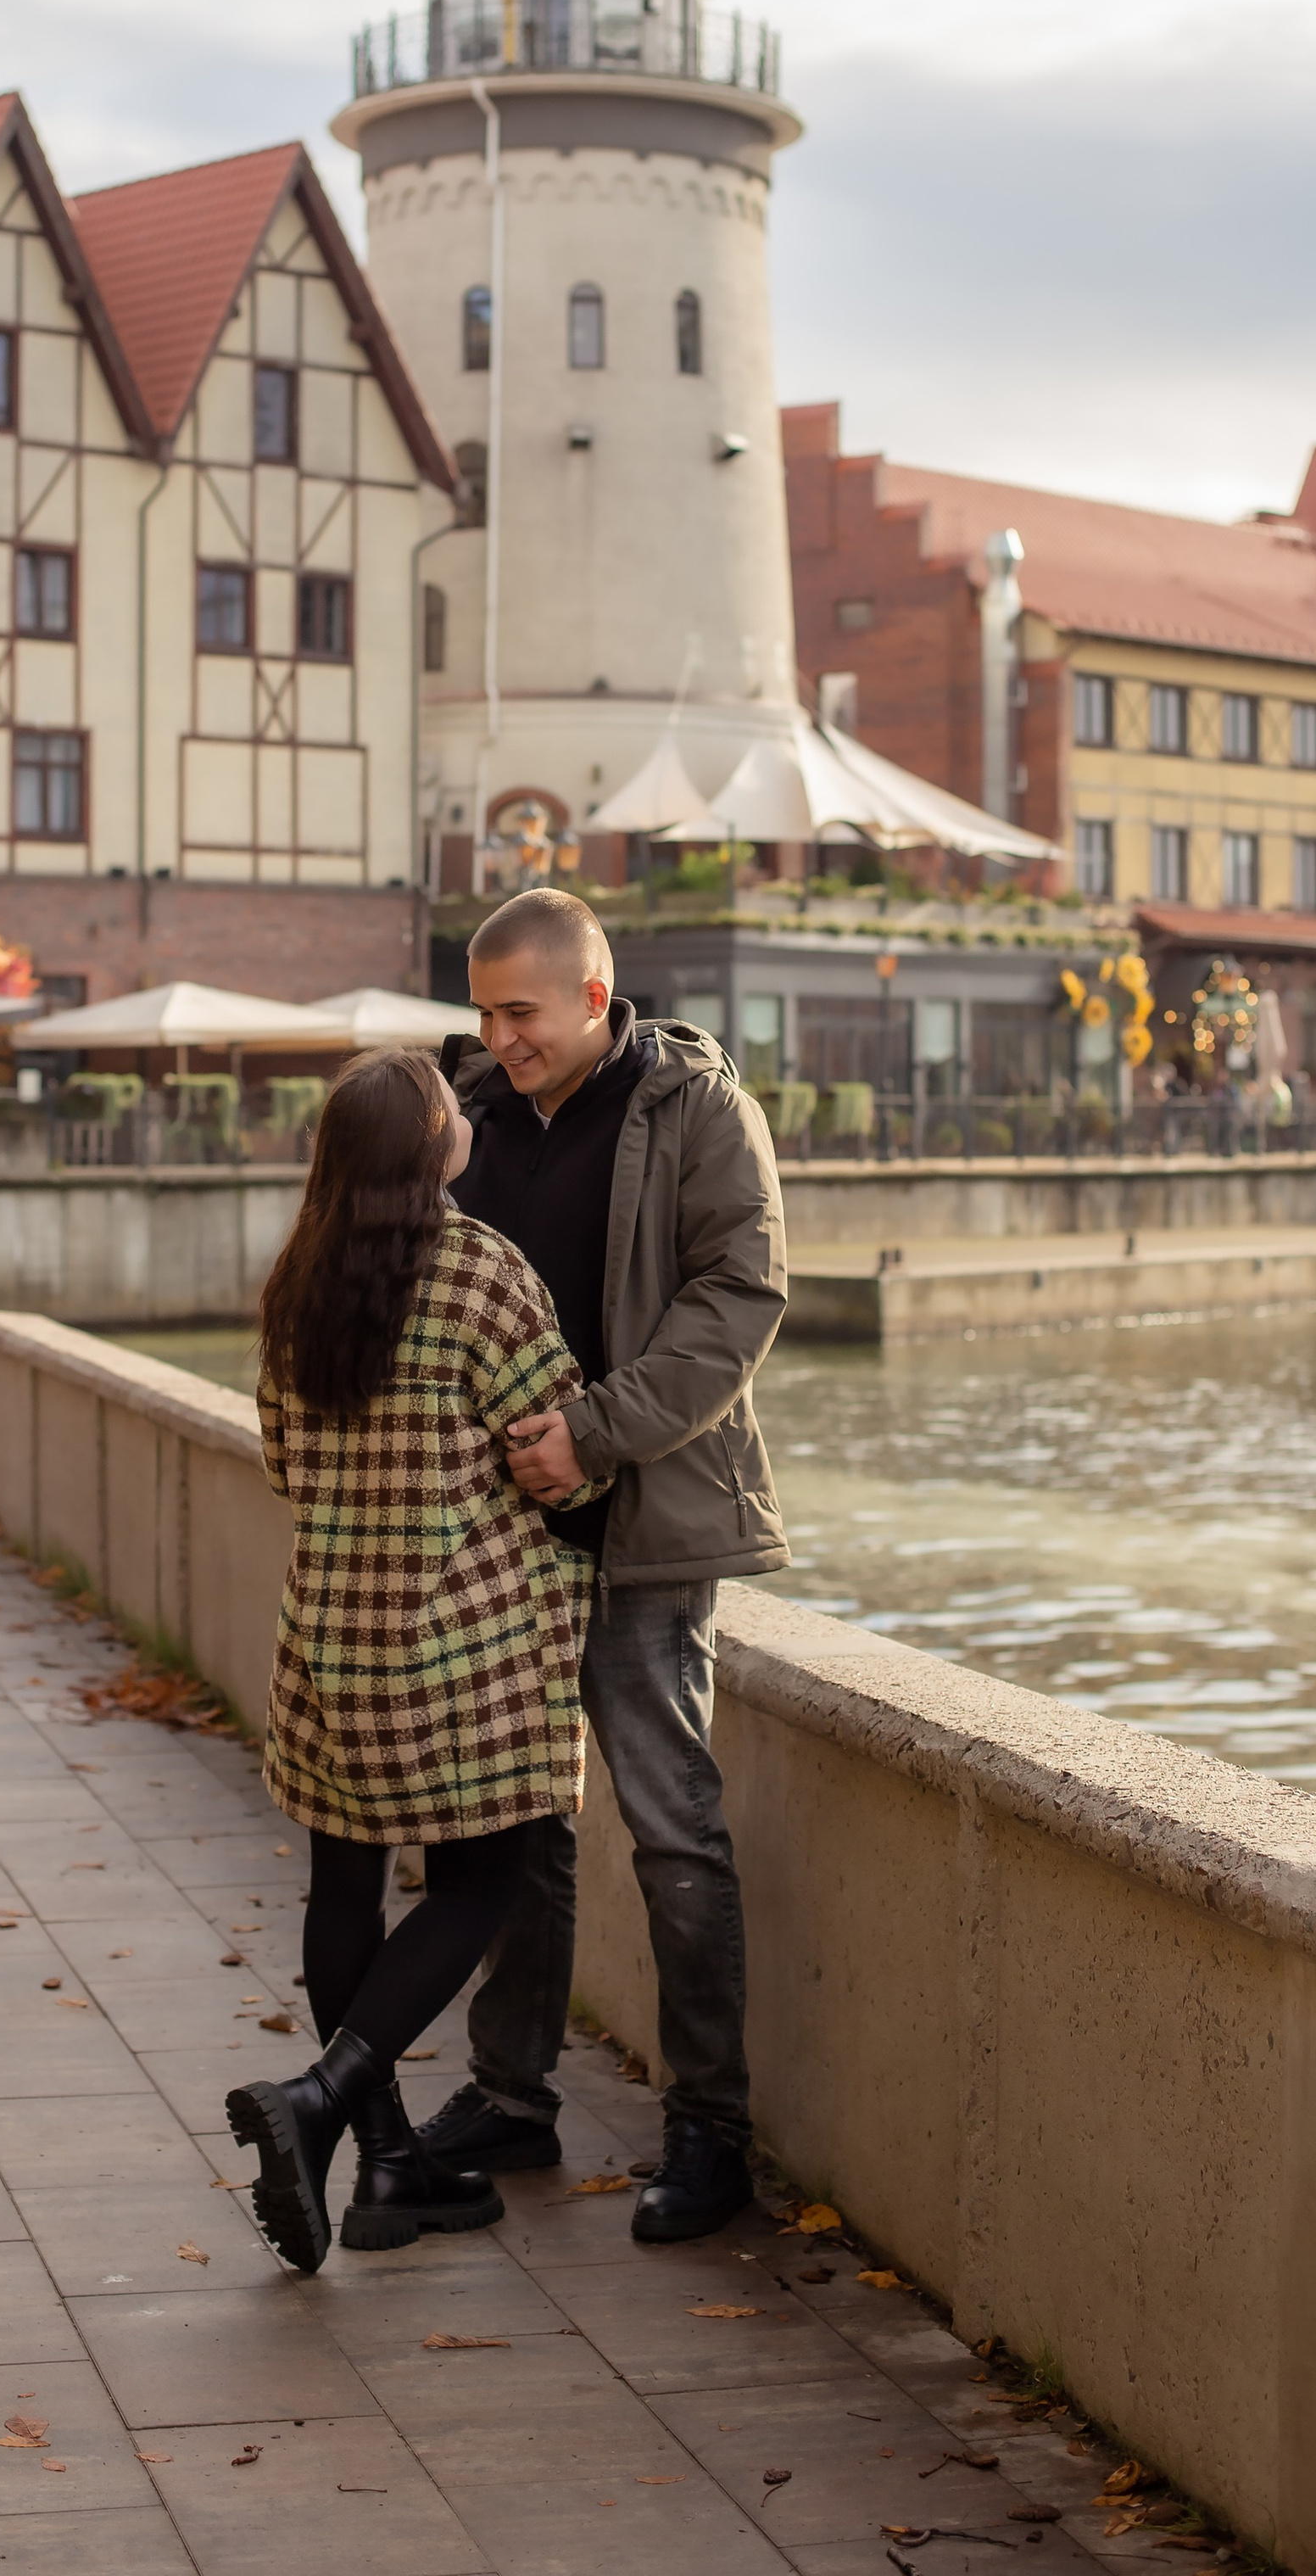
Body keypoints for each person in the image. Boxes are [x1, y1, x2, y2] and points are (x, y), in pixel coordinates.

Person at [414, 886, 789, 2243]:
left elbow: (737, 1301)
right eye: (482, 1015)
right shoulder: (472, 1114)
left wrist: (592, 1434)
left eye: (518, 1013)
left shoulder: (698, 1111)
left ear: (591, 995)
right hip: (501, 1536)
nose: (498, 1039)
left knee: (674, 1830)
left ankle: (711, 2132)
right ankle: (511, 2095)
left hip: (643, 1524)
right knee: (514, 1828)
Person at [227, 1044, 605, 2276]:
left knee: (343, 1888)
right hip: (460, 1642)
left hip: (328, 1638)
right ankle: (323, 2101)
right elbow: (556, 1452)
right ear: (431, 1145)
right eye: (450, 1104)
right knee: (482, 1882)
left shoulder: (298, 1279)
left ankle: (387, 2162)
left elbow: (282, 1462)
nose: (465, 1106)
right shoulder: (483, 1272)